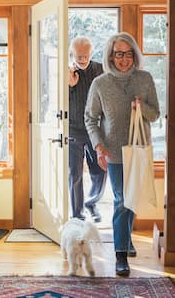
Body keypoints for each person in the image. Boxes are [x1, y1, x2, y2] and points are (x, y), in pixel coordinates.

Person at [84, 32, 160, 276]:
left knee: (132, 198)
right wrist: (98, 146)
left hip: (139, 149)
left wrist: (142, 107)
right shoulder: (100, 83)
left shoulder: (145, 79)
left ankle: (125, 241)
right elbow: (90, 118)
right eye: (119, 54)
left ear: (134, 55)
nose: (124, 59)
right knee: (121, 200)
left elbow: (155, 114)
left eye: (128, 54)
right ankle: (120, 255)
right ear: (111, 55)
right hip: (114, 151)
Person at [68, 36, 107, 223]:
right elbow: (57, 101)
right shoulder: (67, 72)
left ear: (91, 53)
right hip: (73, 129)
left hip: (96, 128)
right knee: (74, 173)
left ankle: (91, 202)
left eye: (85, 55)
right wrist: (69, 86)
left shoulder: (100, 70)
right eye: (78, 56)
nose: (82, 59)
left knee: (100, 170)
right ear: (72, 54)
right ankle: (77, 214)